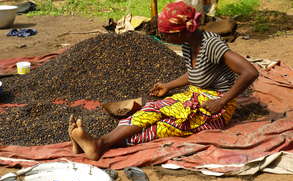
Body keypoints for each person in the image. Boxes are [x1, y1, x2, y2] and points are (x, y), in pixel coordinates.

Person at [68, 1, 259, 161]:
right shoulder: (188, 44)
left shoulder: (211, 44)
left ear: (182, 31)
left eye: (167, 33)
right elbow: (196, 74)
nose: (163, 37)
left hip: (216, 108)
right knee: (150, 110)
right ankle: (95, 144)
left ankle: (99, 144)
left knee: (163, 125)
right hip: (196, 96)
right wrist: (168, 85)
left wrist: (222, 101)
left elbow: (250, 72)